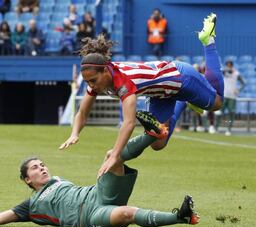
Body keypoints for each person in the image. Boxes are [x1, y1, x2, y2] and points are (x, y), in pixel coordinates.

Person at [0, 119, 199, 227]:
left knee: (113, 154)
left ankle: (153, 134)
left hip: (97, 192)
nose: (41, 167)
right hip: (91, 215)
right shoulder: (29, 207)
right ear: (27, 180)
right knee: (126, 213)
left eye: (42, 164)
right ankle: (180, 217)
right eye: (35, 167)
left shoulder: (56, 180)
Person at [60, 12, 224, 175]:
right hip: (161, 93)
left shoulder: (124, 83)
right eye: (88, 82)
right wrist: (74, 133)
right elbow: (82, 112)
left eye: (93, 81)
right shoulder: (97, 77)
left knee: (217, 103)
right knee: (158, 143)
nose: (91, 86)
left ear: (105, 71)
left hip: (180, 78)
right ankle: (183, 102)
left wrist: (115, 155)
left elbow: (129, 123)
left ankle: (207, 41)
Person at [213, 60, 245, 136]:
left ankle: (228, 129)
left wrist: (238, 90)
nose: (228, 67)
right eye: (227, 65)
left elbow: (243, 83)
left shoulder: (237, 74)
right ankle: (216, 127)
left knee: (231, 113)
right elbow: (219, 72)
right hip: (224, 95)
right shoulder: (224, 72)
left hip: (232, 97)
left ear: (232, 66)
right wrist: (225, 70)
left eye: (230, 65)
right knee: (219, 112)